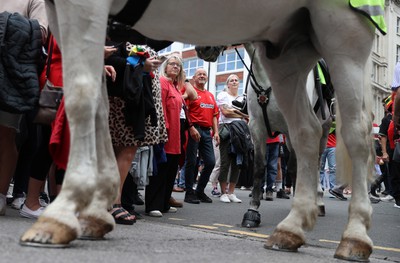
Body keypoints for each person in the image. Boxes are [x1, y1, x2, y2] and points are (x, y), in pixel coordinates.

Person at [0, 0, 48, 216]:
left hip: (11, 71)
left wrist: (6, 24)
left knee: (5, 134)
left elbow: (41, 32)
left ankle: (0, 194)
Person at [145, 55, 197, 216]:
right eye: (172, 64)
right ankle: (153, 205)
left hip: (176, 135)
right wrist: (164, 130)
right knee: (160, 169)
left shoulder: (175, 86)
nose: (175, 67)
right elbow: (160, 108)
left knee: (170, 169)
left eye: (178, 65)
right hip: (165, 133)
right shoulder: (163, 83)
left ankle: (164, 203)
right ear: (165, 67)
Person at [184, 68, 219, 204]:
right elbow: (184, 110)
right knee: (191, 161)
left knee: (210, 162)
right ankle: (189, 192)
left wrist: (215, 132)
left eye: (204, 74)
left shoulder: (210, 95)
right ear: (194, 77)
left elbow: (215, 115)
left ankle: (200, 190)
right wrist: (191, 127)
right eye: (199, 74)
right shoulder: (190, 92)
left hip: (206, 131)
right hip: (194, 129)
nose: (202, 76)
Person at [216, 74, 248, 203]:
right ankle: (223, 192)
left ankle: (231, 192)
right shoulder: (222, 95)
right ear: (228, 84)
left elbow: (248, 114)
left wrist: (238, 113)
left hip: (240, 130)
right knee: (225, 162)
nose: (234, 82)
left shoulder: (242, 98)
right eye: (231, 80)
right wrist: (242, 114)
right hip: (227, 129)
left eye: (236, 80)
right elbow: (226, 112)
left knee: (237, 162)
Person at [320, 121, 337, 192]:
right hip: (322, 146)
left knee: (332, 168)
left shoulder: (336, 121)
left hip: (332, 146)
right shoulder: (321, 118)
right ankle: (320, 187)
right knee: (320, 168)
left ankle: (333, 188)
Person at [263, 134, 281, 201]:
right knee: (263, 166)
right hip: (263, 139)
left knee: (272, 167)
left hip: (274, 140)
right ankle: (260, 190)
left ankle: (269, 190)